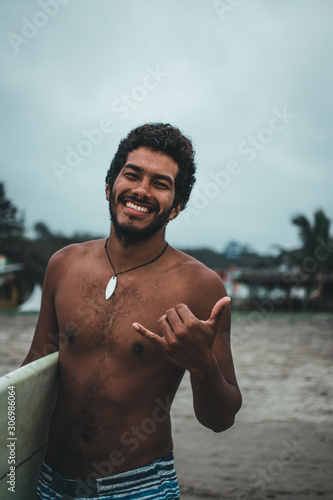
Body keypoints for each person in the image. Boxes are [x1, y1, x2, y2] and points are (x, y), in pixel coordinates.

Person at [22, 123, 242, 500]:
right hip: (49, 482)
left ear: (176, 207)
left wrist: (202, 364)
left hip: (139, 488)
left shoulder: (199, 287)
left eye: (160, 183)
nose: (141, 190)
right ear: (110, 187)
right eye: (132, 174)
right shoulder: (64, 265)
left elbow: (220, 420)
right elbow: (32, 373)